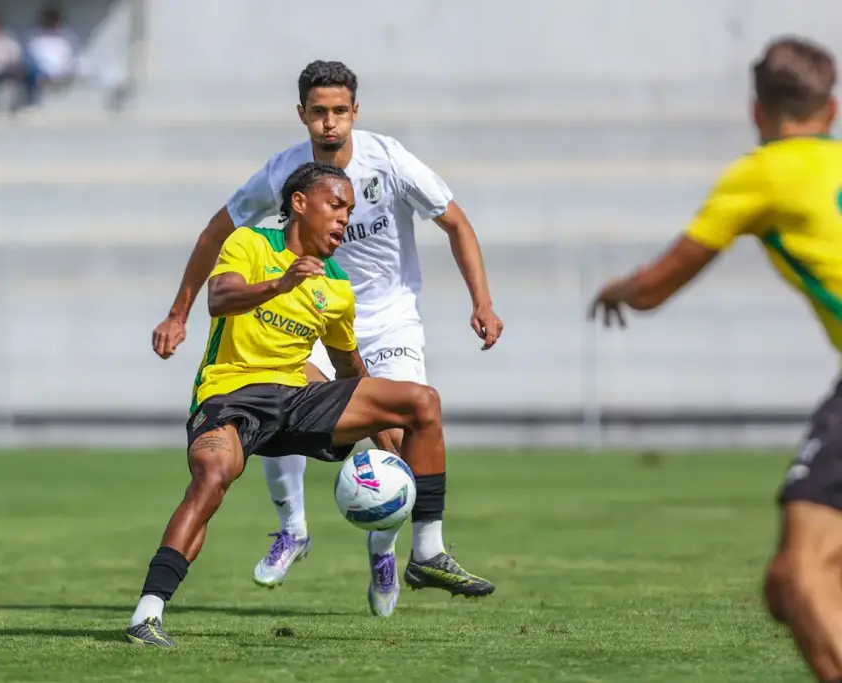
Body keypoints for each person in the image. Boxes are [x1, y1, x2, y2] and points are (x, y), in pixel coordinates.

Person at [150, 60, 502, 616]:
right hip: (304, 306)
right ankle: (292, 529)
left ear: (355, 113)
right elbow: (216, 231)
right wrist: (178, 312)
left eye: (340, 111)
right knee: (272, 391)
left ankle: (388, 550)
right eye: (319, 113)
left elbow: (456, 222)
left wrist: (481, 301)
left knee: (398, 434)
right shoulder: (284, 173)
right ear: (302, 116)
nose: (330, 124)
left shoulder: (389, 159)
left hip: (386, 317)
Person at [589, 36, 842, 683]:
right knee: (795, 583)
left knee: (797, 576)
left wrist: (618, 289)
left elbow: (653, 287)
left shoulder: (760, 174)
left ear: (756, 112)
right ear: (833, 109)